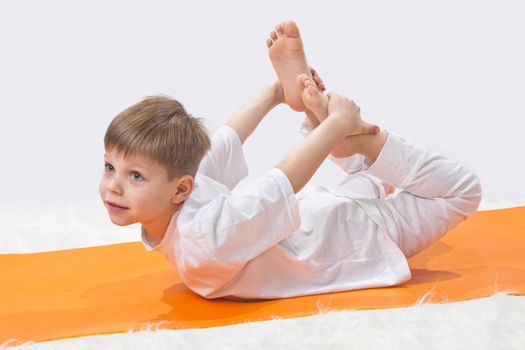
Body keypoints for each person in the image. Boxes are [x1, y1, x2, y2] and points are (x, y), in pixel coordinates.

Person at [99, 21, 482, 300]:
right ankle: (351, 138)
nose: (114, 185)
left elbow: (276, 178)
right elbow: (234, 155)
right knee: (377, 180)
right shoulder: (189, 208)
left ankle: (362, 137)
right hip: (325, 219)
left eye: (134, 175)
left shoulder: (203, 237)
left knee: (464, 191)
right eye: (110, 167)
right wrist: (293, 105)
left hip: (357, 237)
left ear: (181, 187)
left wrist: (325, 121)